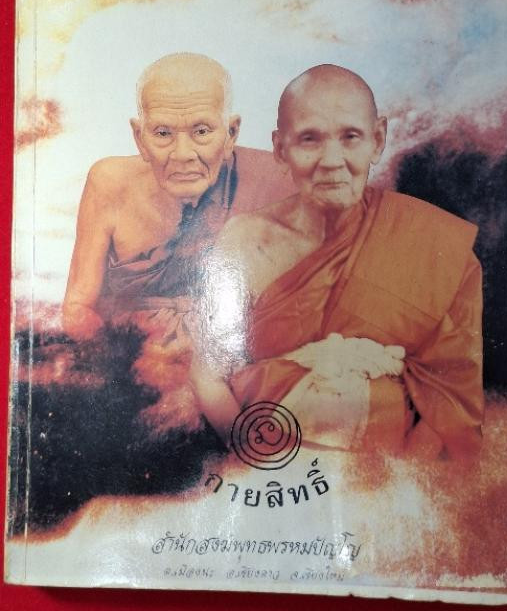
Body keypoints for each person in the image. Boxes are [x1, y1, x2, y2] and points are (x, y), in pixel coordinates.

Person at [188, 64, 484, 460]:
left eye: (350, 137)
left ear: (377, 140)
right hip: (267, 463)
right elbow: (207, 376)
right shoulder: (243, 241)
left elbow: (450, 397)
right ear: (280, 149)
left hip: (391, 469)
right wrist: (257, 461)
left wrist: (396, 483)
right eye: (309, 139)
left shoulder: (435, 246)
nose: (331, 160)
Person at [62, 52, 294, 341]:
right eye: (162, 133)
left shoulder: (275, 180)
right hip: (132, 352)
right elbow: (77, 308)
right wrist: (121, 358)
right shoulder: (109, 183)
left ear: (231, 133)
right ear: (139, 138)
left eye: (201, 131)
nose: (182, 154)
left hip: (233, 358)